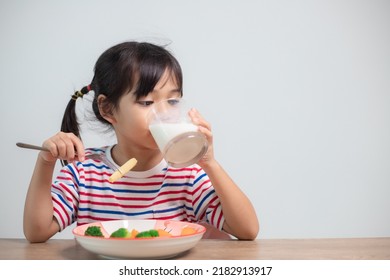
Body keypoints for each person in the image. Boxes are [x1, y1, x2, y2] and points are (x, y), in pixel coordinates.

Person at [23, 41, 259, 242]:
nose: (165, 113)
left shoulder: (186, 174)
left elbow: (247, 230)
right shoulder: (84, 173)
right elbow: (37, 232)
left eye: (173, 101)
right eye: (147, 103)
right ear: (108, 109)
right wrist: (45, 162)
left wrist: (210, 164)